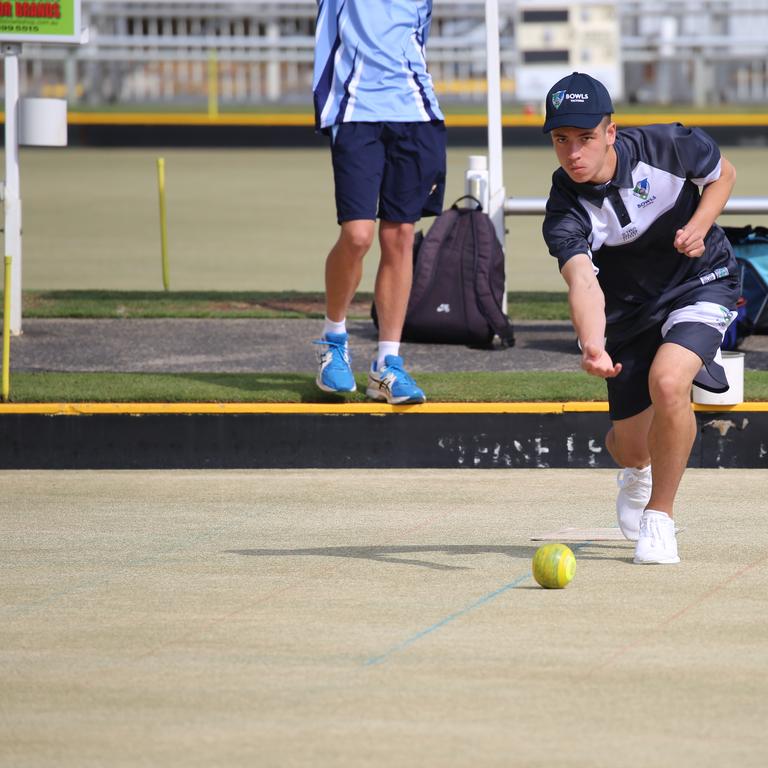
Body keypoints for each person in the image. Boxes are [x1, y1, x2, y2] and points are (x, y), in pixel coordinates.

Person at [541, 72, 738, 564]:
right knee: (629, 446)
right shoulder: (564, 208)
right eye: (561, 140)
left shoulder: (667, 144)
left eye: (585, 138)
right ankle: (637, 472)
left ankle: (660, 519)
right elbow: (583, 281)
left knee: (669, 382)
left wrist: (698, 226)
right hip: (627, 312)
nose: (573, 153)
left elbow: (723, 174)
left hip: (701, 281)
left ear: (611, 132)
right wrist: (592, 343)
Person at [311, 0, 446, 405]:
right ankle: (332, 340)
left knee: (401, 235)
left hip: (416, 110)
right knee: (357, 235)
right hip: (354, 110)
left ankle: (387, 363)